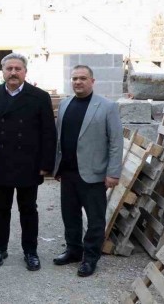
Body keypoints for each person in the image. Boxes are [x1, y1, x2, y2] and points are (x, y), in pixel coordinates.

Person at [0, 52, 56, 271]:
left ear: (25, 72)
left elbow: (48, 133)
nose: (13, 72)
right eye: (9, 69)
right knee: (0, 209)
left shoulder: (39, 96)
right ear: (2, 71)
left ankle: (30, 251)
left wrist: (46, 164)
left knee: (28, 209)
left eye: (17, 69)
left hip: (28, 163)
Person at [53, 65, 122, 277]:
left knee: (95, 219)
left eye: (83, 78)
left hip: (94, 174)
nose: (78, 82)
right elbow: (59, 138)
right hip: (68, 172)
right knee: (70, 215)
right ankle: (74, 250)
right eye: (74, 78)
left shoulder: (107, 107)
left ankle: (90, 257)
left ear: (92, 81)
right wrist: (56, 166)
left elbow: (116, 142)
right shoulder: (65, 105)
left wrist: (113, 173)